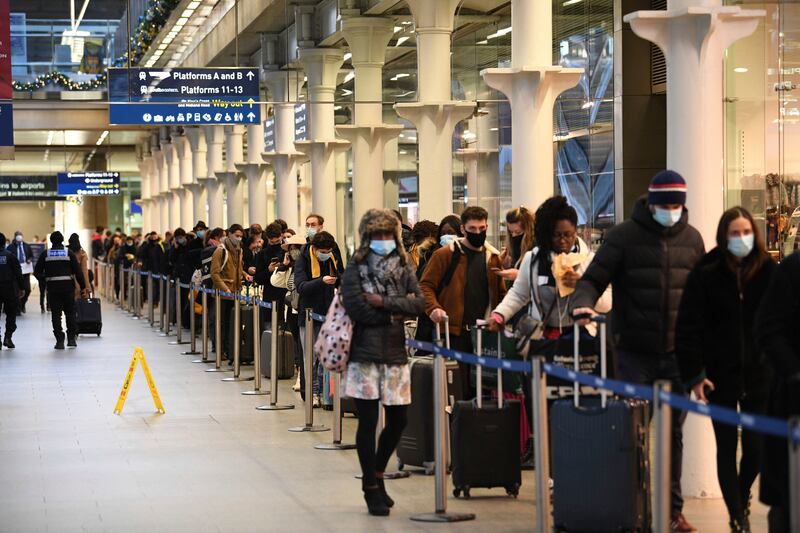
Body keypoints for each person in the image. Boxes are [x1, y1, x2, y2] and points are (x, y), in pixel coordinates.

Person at [572, 170, 704, 532]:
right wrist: (582, 304)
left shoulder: (692, 240)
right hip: (634, 352)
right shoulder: (623, 237)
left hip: (679, 355)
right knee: (631, 433)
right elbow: (592, 280)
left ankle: (671, 512)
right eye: (666, 205)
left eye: (677, 205)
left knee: (674, 435)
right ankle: (630, 507)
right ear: (652, 203)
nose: (671, 211)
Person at [676, 207, 775, 532]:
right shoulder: (706, 271)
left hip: (760, 376)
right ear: (723, 235)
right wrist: (695, 374)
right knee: (726, 446)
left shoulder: (767, 270)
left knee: (756, 451)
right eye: (734, 232)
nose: (741, 238)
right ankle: (737, 516)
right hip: (718, 377)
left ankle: (743, 490)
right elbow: (688, 328)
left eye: (746, 231)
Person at [341, 209, 425, 516]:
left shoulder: (404, 264)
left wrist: (384, 303)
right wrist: (392, 314)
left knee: (399, 420)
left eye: (387, 234)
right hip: (363, 356)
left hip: (395, 355)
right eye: (376, 234)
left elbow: (418, 303)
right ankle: (370, 487)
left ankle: (375, 474)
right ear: (367, 236)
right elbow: (355, 308)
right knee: (367, 422)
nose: (382, 240)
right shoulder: (355, 266)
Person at [419, 206, 507, 399]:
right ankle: (452, 427)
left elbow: (500, 294)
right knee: (455, 390)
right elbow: (425, 286)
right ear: (463, 230)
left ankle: (476, 427)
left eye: (482, 229)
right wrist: (434, 308)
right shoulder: (445, 255)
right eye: (473, 229)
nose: (478, 233)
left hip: (484, 334)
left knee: (483, 391)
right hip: (454, 332)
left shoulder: (492, 258)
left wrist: (500, 317)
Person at [755, 253, 800, 532]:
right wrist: (794, 372)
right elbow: (767, 328)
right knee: (790, 498)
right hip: (793, 404)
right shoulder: (793, 270)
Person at [294, 230, 344, 406]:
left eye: (329, 251)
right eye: (323, 252)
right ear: (315, 249)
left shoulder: (332, 257)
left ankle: (325, 394)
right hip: (308, 314)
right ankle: (312, 393)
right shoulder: (303, 259)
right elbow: (301, 287)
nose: (326, 254)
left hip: (327, 313)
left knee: (326, 356)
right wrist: (321, 281)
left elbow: (341, 278)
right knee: (311, 357)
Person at [34, 232, 88, 349]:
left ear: (51, 241)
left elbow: (36, 272)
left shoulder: (45, 254)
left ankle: (59, 340)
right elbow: (78, 272)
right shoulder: (69, 253)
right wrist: (83, 287)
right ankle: (71, 339)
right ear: (62, 240)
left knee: (56, 315)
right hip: (68, 289)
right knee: (70, 313)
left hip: (53, 290)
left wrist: (45, 279)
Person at [270, 234, 307, 392]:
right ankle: (300, 375)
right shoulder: (290, 267)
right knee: (297, 343)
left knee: (304, 343)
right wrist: (284, 266)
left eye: (296, 248)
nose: (294, 251)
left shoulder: (306, 266)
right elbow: (276, 282)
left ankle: (304, 377)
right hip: (291, 309)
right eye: (291, 249)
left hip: (304, 309)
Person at [211, 224, 244, 363]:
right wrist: (225, 288)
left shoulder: (239, 250)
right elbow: (214, 273)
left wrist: (245, 275)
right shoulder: (220, 250)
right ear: (229, 234)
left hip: (235, 293)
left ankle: (230, 351)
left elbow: (238, 268)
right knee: (221, 323)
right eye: (236, 235)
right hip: (223, 294)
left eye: (241, 236)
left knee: (232, 324)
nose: (239, 238)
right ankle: (221, 350)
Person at [255, 222, 288, 326]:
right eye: (272, 242)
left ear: (281, 236)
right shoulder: (262, 254)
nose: (275, 244)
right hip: (270, 296)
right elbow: (258, 278)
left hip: (286, 295)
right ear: (267, 239)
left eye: (278, 241)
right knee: (269, 329)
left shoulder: (288, 251)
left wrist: (284, 265)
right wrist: (268, 270)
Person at [497, 205, 536, 282]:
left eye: (518, 232)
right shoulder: (512, 247)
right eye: (511, 232)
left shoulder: (537, 248)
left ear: (528, 230)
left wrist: (519, 275)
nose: (514, 236)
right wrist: (505, 266)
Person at [0, 233, 23, 349]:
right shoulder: (11, 256)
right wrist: (22, 287)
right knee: (11, 315)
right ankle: (8, 337)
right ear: (4, 243)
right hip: (9, 290)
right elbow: (18, 273)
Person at [168, 228, 194, 329]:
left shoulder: (190, 245)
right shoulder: (176, 247)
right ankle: (178, 320)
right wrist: (175, 248)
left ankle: (187, 322)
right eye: (178, 238)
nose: (180, 239)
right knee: (179, 300)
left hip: (189, 276)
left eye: (181, 237)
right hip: (179, 277)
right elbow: (171, 260)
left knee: (188, 301)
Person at [7, 231, 33, 314]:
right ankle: (18, 308)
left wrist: (29, 260)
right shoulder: (10, 247)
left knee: (27, 290)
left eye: (20, 236)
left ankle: (22, 304)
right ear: (15, 237)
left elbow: (31, 256)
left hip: (25, 271)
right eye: (18, 236)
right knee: (16, 290)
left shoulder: (26, 246)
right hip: (15, 272)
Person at [67, 233, 91, 301]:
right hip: (78, 278)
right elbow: (84, 271)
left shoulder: (66, 251)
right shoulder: (82, 253)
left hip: (67, 278)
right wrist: (87, 287)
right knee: (79, 299)